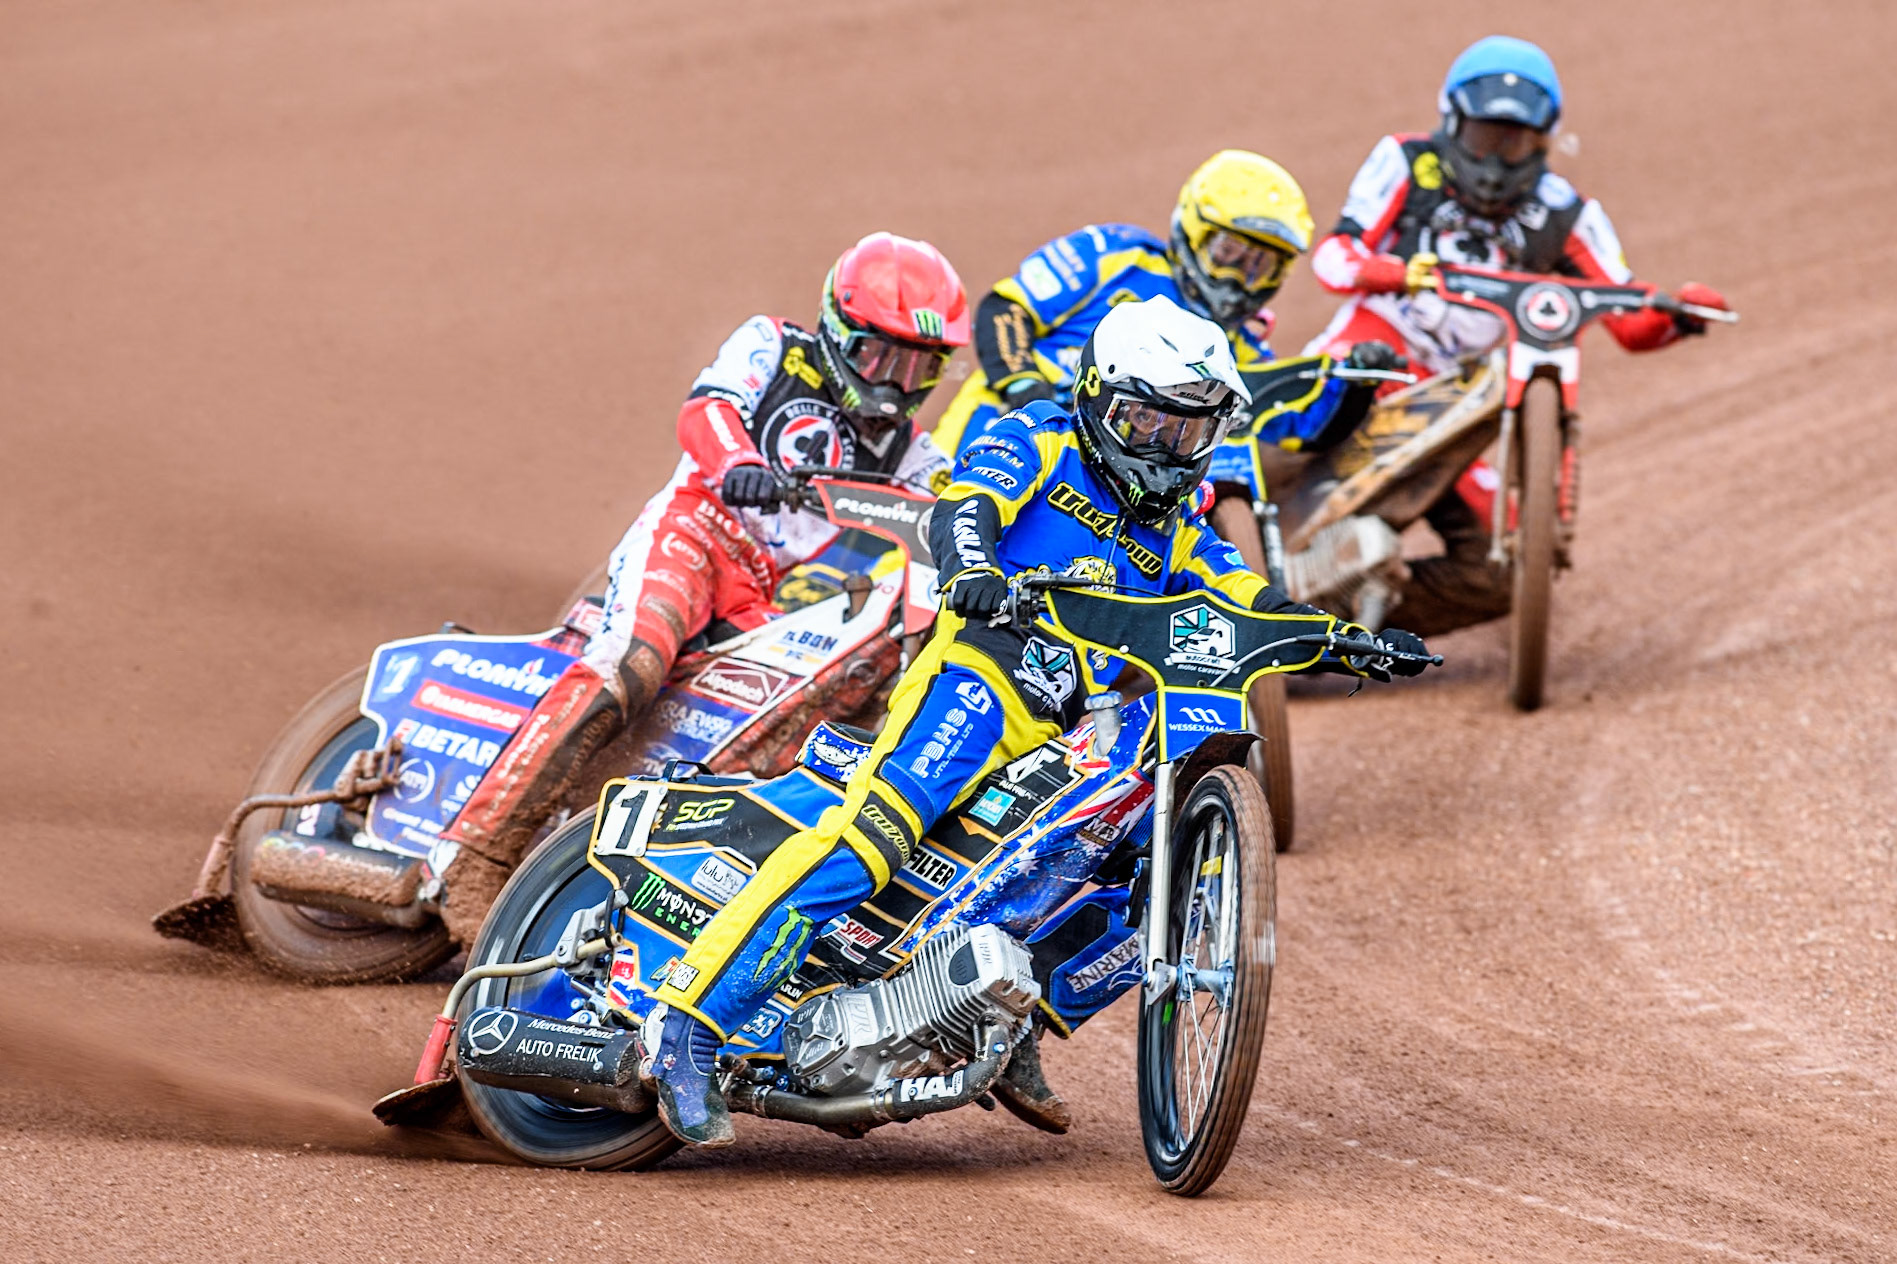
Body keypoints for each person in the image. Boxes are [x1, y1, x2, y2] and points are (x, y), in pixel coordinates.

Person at [636, 295, 1430, 1146]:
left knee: (1151, 879)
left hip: (1068, 727)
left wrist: (1342, 640)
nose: (1166, 451)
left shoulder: (1177, 524)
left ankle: (1018, 1015)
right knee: (869, 843)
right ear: (1097, 396)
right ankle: (687, 1025)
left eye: (1187, 433)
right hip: (976, 682)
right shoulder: (1036, 434)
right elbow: (964, 507)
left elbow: (1246, 596)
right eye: (1149, 423)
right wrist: (973, 566)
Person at [433, 233, 969, 946]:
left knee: (786, 706)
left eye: (917, 365)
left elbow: (951, 517)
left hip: (762, 590)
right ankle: (475, 856)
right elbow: (706, 410)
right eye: (881, 357)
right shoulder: (772, 346)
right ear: (841, 332)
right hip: (696, 531)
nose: (895, 384)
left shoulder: (914, 456)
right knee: (635, 658)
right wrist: (739, 459)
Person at [1300, 34, 1730, 635]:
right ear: (1453, 121)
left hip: (1459, 397)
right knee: (1259, 441)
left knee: (1508, 568)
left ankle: (1335, 632)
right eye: (1485, 137)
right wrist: (1395, 274)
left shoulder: (1566, 212)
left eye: (1518, 141)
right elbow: (1334, 258)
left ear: (1545, 139)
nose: (1498, 160)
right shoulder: (1406, 161)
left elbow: (1628, 317)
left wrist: (1679, 315)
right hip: (1374, 350)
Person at [932, 150, 1389, 460]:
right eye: (1228, 253)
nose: (1238, 278)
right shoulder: (1119, 255)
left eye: (1260, 266)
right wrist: (1022, 388)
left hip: (1095, 475)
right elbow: (1006, 309)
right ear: (1192, 228)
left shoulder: (1235, 345)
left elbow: (1293, 424)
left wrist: (1356, 386)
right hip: (1001, 428)